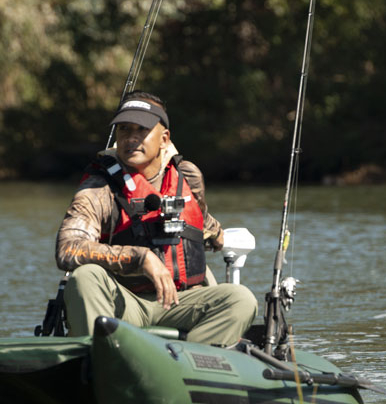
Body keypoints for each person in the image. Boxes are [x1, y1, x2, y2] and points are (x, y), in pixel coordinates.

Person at [55, 91, 258, 346]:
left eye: (141, 130)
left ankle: (185, 366)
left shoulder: (188, 177)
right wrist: (140, 258)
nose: (131, 139)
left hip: (180, 303)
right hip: (125, 303)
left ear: (164, 139)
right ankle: (101, 361)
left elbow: (202, 224)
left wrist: (219, 237)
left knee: (241, 299)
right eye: (124, 129)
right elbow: (67, 249)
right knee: (85, 277)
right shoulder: (98, 188)